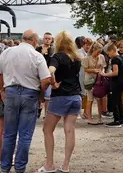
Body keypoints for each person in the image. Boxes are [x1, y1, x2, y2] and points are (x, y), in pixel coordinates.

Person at [0, 29, 51, 173]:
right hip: (30, 94)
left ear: (24, 38)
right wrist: (41, 95)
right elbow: (46, 79)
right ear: (35, 41)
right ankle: (20, 167)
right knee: (25, 134)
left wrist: (1, 89)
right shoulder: (36, 55)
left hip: (11, 92)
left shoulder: (7, 52)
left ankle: (5, 167)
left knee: (9, 133)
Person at [38, 31, 83, 173]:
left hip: (60, 96)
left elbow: (50, 69)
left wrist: (53, 82)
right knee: (70, 130)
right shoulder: (77, 58)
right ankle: (66, 165)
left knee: (47, 129)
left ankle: (49, 164)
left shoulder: (57, 57)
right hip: (76, 96)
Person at [99, 44, 123, 127]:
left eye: (108, 53)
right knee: (119, 101)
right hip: (122, 82)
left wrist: (104, 74)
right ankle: (122, 119)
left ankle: (116, 120)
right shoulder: (122, 57)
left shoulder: (115, 59)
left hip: (116, 83)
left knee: (114, 101)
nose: (108, 55)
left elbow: (115, 72)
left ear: (112, 51)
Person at [82, 42, 106, 125]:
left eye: (100, 52)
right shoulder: (86, 58)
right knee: (90, 99)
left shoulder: (101, 57)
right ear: (93, 50)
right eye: (98, 52)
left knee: (99, 98)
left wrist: (102, 73)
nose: (99, 53)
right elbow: (85, 70)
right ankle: (89, 118)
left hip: (99, 80)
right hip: (89, 81)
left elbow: (103, 67)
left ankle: (100, 117)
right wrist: (94, 70)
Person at [37, 32, 54, 119]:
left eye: (49, 39)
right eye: (46, 38)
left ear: (51, 40)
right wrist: (42, 54)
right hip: (38, 74)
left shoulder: (53, 50)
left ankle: (46, 114)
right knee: (38, 93)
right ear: (43, 39)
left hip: (48, 74)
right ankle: (38, 108)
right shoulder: (38, 49)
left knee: (48, 96)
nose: (47, 40)